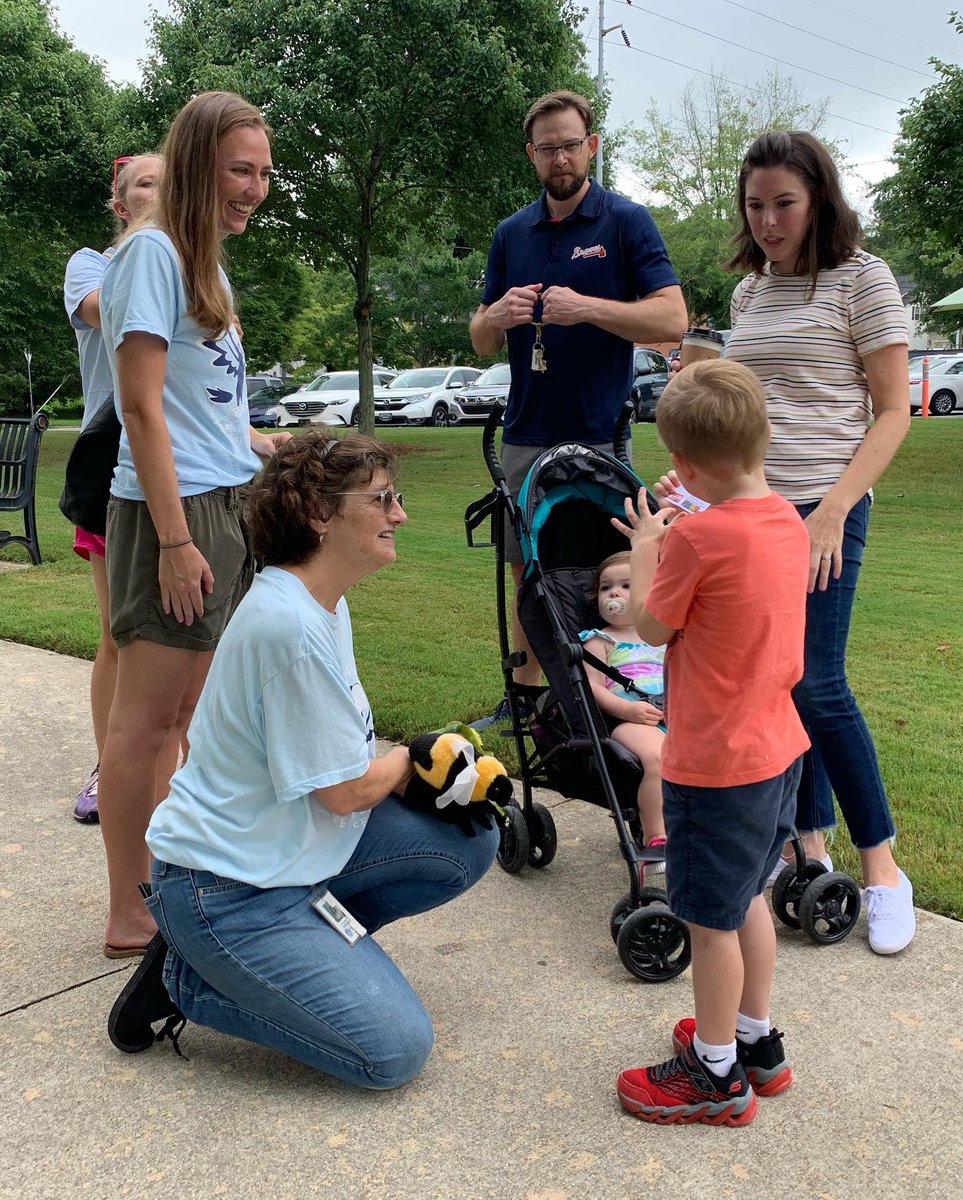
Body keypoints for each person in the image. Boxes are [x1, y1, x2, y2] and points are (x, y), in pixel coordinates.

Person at [106, 431, 500, 1087]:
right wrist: (416, 757)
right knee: (391, 1053)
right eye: (381, 500)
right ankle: (189, 981)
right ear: (320, 514)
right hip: (227, 890)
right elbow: (344, 792)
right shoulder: (287, 626)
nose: (398, 514)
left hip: (293, 853)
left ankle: (293, 962)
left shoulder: (319, 603)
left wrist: (421, 769)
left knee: (467, 836)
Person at [96, 92, 289, 959]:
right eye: (238, 171)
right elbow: (139, 407)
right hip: (174, 514)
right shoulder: (150, 253)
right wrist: (175, 543)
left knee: (186, 718)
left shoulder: (199, 257)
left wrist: (248, 438)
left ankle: (170, 881)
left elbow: (191, 395)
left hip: (224, 500)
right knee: (145, 722)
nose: (253, 189)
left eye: (262, 174)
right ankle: (130, 909)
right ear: (197, 164)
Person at [724, 130, 915, 955]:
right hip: (756, 511)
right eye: (755, 204)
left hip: (826, 507)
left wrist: (834, 508)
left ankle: (882, 870)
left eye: (784, 204)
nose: (767, 221)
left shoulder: (861, 279)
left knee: (820, 685)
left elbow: (893, 409)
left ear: (820, 199)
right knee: (772, 684)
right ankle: (808, 847)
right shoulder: (749, 292)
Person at [614, 359, 811, 1127]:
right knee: (750, 895)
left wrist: (644, 548)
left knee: (709, 919)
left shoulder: (691, 541)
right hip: (776, 747)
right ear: (762, 434)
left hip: (714, 764)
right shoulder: (785, 521)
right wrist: (692, 509)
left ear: (685, 461)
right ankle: (756, 1041)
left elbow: (652, 626)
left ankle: (714, 1071)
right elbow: (733, 545)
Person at [468, 89, 687, 729]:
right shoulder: (512, 234)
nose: (560, 158)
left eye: (570, 145)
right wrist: (496, 316)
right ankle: (528, 702)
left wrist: (588, 308)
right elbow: (480, 336)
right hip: (526, 432)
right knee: (526, 569)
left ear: (591, 146)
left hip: (600, 434)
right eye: (547, 148)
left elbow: (672, 319)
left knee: (607, 571)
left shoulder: (624, 221)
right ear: (530, 154)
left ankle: (612, 693)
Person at [63, 153, 164, 822]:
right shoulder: (90, 265)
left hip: (187, 469)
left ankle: (166, 765)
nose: (161, 194)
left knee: (185, 637)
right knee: (119, 634)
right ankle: (111, 767)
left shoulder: (190, 270)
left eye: (171, 184)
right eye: (146, 185)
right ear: (121, 204)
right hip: (112, 466)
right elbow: (110, 311)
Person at [579, 551, 667, 876]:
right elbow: (593, 687)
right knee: (659, 759)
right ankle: (657, 836)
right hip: (629, 720)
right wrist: (628, 709)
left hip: (673, 713)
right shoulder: (600, 641)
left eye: (627, 585)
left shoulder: (663, 636)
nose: (613, 593)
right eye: (606, 587)